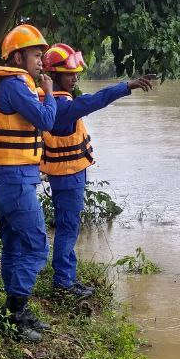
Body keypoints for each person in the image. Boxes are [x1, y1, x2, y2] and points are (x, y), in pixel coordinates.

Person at [41, 44, 154, 298]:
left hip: (65, 174)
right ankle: (63, 283)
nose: (75, 77)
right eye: (69, 74)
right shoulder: (61, 105)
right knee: (68, 228)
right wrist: (127, 86)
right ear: (55, 75)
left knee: (67, 227)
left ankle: (68, 277)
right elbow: (97, 100)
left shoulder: (49, 101)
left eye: (75, 73)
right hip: (68, 176)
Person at [0, 24, 58, 342]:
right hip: (15, 181)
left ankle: (13, 313)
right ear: (19, 56)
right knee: (37, 247)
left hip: (1, 179)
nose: (41, 61)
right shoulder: (14, 84)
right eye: (37, 55)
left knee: (12, 246)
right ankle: (14, 315)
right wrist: (49, 92)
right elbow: (46, 121)